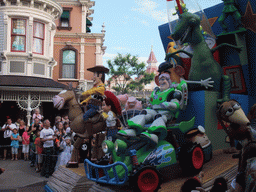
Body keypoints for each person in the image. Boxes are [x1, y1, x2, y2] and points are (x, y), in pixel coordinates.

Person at [119, 72, 187, 145]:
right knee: (144, 113)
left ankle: (154, 135)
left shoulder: (173, 92)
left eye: (164, 79)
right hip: (154, 111)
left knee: (159, 117)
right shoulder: (156, 92)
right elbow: (151, 105)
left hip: (165, 113)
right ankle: (133, 130)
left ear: (169, 81)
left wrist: (169, 104)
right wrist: (147, 109)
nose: (162, 82)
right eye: (160, 80)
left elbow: (176, 105)